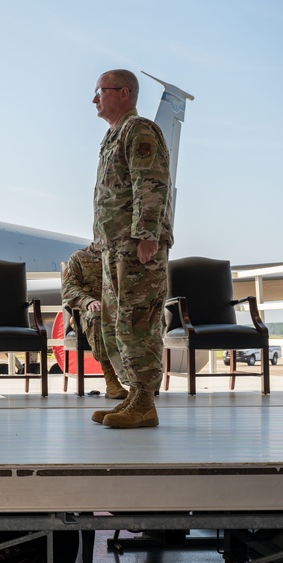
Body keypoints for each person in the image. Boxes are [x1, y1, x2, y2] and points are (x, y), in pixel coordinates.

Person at [90, 69, 174, 428]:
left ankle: (144, 401)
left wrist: (147, 235)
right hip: (114, 247)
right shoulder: (113, 136)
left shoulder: (139, 130)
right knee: (114, 324)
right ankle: (132, 396)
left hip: (136, 245)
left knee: (136, 322)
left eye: (100, 91)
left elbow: (150, 183)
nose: (95, 99)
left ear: (123, 93)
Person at [61, 243, 128, 400]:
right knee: (97, 317)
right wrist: (88, 301)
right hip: (89, 313)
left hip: (121, 311)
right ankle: (111, 380)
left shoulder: (124, 256)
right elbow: (69, 288)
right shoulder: (80, 257)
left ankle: (142, 382)